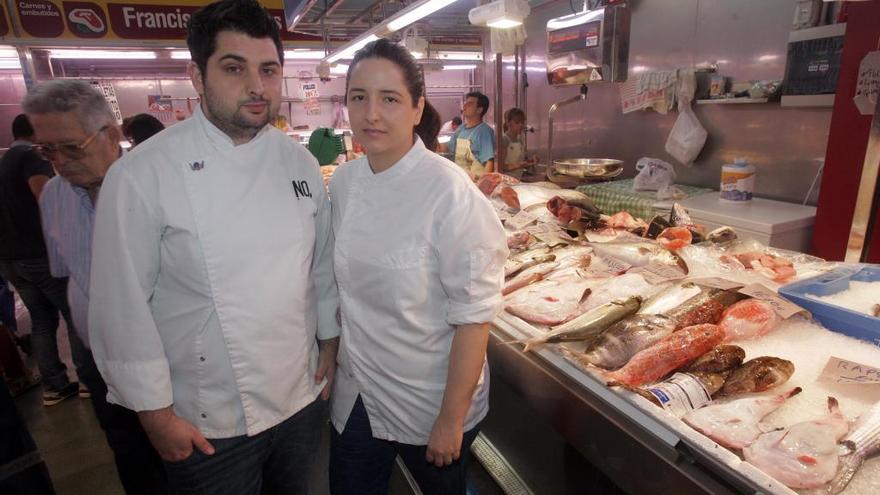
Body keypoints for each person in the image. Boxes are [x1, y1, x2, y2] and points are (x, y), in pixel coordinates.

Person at [88, 1, 339, 494]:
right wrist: (154, 414)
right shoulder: (143, 174)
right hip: (208, 420)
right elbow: (120, 307)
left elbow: (321, 264)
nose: (256, 85)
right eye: (233, 68)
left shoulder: (301, 164)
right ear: (197, 77)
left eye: (268, 70)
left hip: (299, 399)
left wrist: (330, 338)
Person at [329, 38, 508, 495]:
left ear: (416, 108)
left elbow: (473, 318)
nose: (371, 114)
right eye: (359, 97)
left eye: (389, 99)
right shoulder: (346, 182)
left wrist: (451, 420)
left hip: (429, 398)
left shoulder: (449, 193)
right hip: (360, 389)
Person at [23, 79, 168, 495]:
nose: (60, 162)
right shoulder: (54, 196)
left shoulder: (155, 187)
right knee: (130, 455)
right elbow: (68, 275)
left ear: (111, 134)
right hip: (96, 358)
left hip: (162, 356)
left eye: (71, 147)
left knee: (183, 460)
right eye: (47, 151)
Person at [0, 113, 85, 406]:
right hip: (38, 253)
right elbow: (46, 199)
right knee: (75, 314)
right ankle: (88, 380)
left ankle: (54, 386)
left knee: (41, 321)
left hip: (10, 257)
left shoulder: (6, 159)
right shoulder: (31, 157)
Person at [447, 91, 496, 178]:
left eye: (469, 104)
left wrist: (483, 185)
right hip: (461, 181)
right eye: (465, 103)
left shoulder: (484, 132)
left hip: (475, 184)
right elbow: (447, 148)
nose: (464, 106)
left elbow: (489, 162)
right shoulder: (461, 129)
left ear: (479, 110)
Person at [499, 107, 535, 178]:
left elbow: (519, 160)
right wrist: (519, 165)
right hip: (506, 180)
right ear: (508, 123)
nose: (521, 125)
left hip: (517, 179)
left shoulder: (520, 140)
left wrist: (530, 161)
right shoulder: (504, 140)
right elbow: (501, 166)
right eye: (517, 123)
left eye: (522, 122)